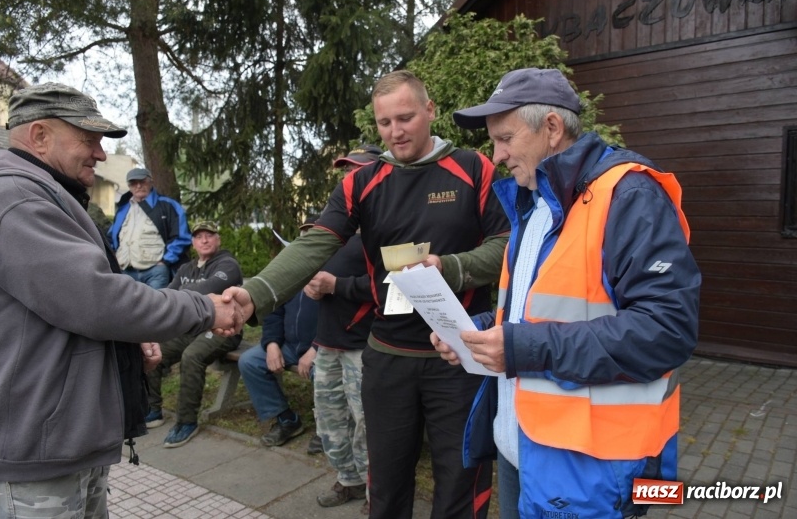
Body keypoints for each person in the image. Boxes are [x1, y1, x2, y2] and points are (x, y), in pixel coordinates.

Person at [222, 70, 510, 519]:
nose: (395, 131)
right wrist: (256, 292)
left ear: (430, 111)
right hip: (388, 357)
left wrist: (451, 268)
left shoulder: (474, 168)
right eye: (384, 122)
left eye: (406, 117)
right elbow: (316, 243)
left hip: (460, 357)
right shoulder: (363, 181)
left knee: (461, 481)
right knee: (388, 485)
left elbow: (506, 244)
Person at [430, 67, 701, 519]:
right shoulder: (533, 206)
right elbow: (533, 315)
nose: (495, 156)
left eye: (505, 139)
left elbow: (667, 329)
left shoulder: (629, 195)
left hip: (593, 471)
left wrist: (521, 347)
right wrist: (476, 334)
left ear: (552, 128)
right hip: (524, 451)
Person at [0, 82, 238, 518]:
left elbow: (66, 310)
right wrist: (206, 308)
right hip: (38, 455)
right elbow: (97, 300)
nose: (101, 154)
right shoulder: (16, 198)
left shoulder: (44, 193)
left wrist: (127, 340)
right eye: (88, 140)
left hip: (65, 443)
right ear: (39, 136)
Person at [302, 146, 379, 511]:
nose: (350, 178)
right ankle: (347, 479)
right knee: (330, 421)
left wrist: (336, 285)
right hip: (328, 343)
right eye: (346, 171)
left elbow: (397, 287)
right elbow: (316, 276)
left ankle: (374, 490)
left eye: (357, 171)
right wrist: (311, 283)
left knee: (369, 424)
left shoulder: (386, 229)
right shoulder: (334, 227)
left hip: (366, 346)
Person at [145, 220, 245, 448]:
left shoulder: (228, 264)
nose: (205, 240)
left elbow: (207, 288)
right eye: (199, 237)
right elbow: (167, 294)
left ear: (218, 239)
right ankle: (153, 409)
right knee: (154, 349)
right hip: (191, 328)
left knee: (192, 356)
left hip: (225, 329)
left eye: (210, 235)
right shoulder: (186, 269)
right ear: (193, 242)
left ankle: (187, 422)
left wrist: (180, 296)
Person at [238, 216, 320, 447]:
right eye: (305, 233)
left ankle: (327, 429)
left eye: (315, 233)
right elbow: (274, 312)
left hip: (324, 349)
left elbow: (341, 320)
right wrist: (272, 344)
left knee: (325, 374)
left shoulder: (336, 271)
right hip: (289, 345)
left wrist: (315, 350)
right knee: (250, 361)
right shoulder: (292, 272)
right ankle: (287, 419)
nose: (309, 238)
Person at [107, 166, 191, 289]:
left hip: (155, 272)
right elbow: (112, 237)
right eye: (133, 183)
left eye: (142, 181)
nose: (138, 186)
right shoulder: (123, 209)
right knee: (127, 308)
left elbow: (182, 236)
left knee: (156, 307)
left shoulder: (168, 205)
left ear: (151, 182)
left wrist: (165, 261)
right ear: (129, 186)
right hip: (125, 272)